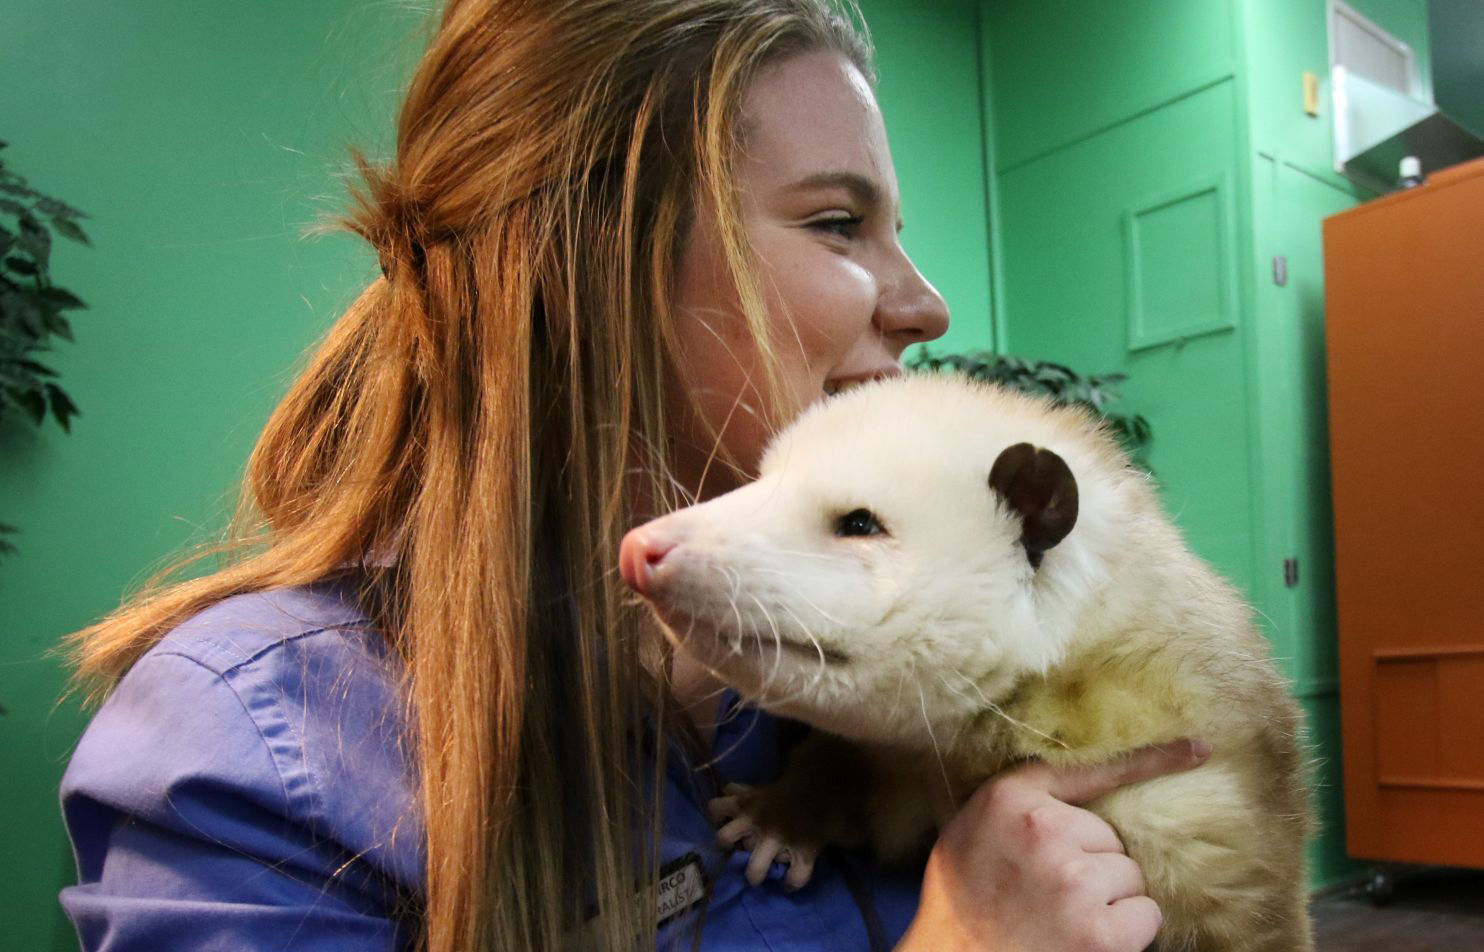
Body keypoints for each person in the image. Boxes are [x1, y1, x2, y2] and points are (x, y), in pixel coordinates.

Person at [58, 1, 1210, 950]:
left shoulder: (875, 678)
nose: (923, 304)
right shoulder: (252, 751)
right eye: (836, 223)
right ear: (588, 261)